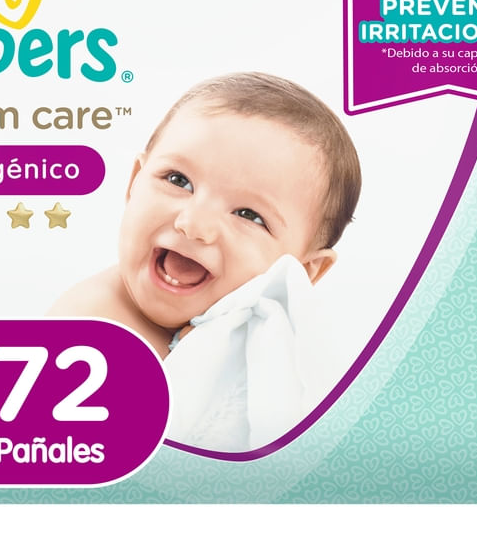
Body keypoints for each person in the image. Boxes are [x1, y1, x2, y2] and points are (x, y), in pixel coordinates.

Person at [48, 72, 361, 358]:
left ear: (301, 272)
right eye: (178, 180)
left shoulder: (280, 346)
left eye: (248, 214)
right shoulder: (90, 331)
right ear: (134, 183)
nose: (194, 224)